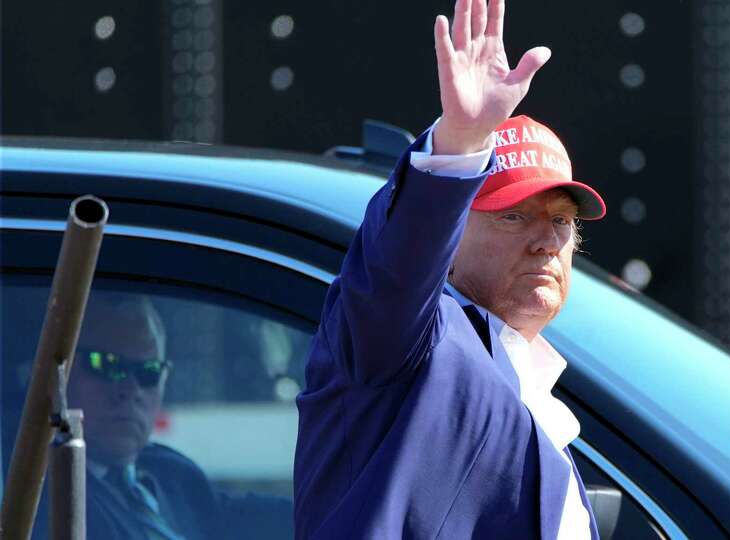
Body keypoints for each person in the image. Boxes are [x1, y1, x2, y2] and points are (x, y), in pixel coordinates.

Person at [294, 0, 607, 538]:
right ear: (449, 235)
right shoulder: (410, 342)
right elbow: (396, 271)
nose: (544, 242)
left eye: (560, 220)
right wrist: (460, 145)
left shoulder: (529, 378)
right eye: (513, 216)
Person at [31, 292, 292, 540]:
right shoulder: (39, 495)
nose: (130, 390)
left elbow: (257, 519)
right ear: (59, 376)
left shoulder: (171, 472)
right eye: (106, 364)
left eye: (149, 372)